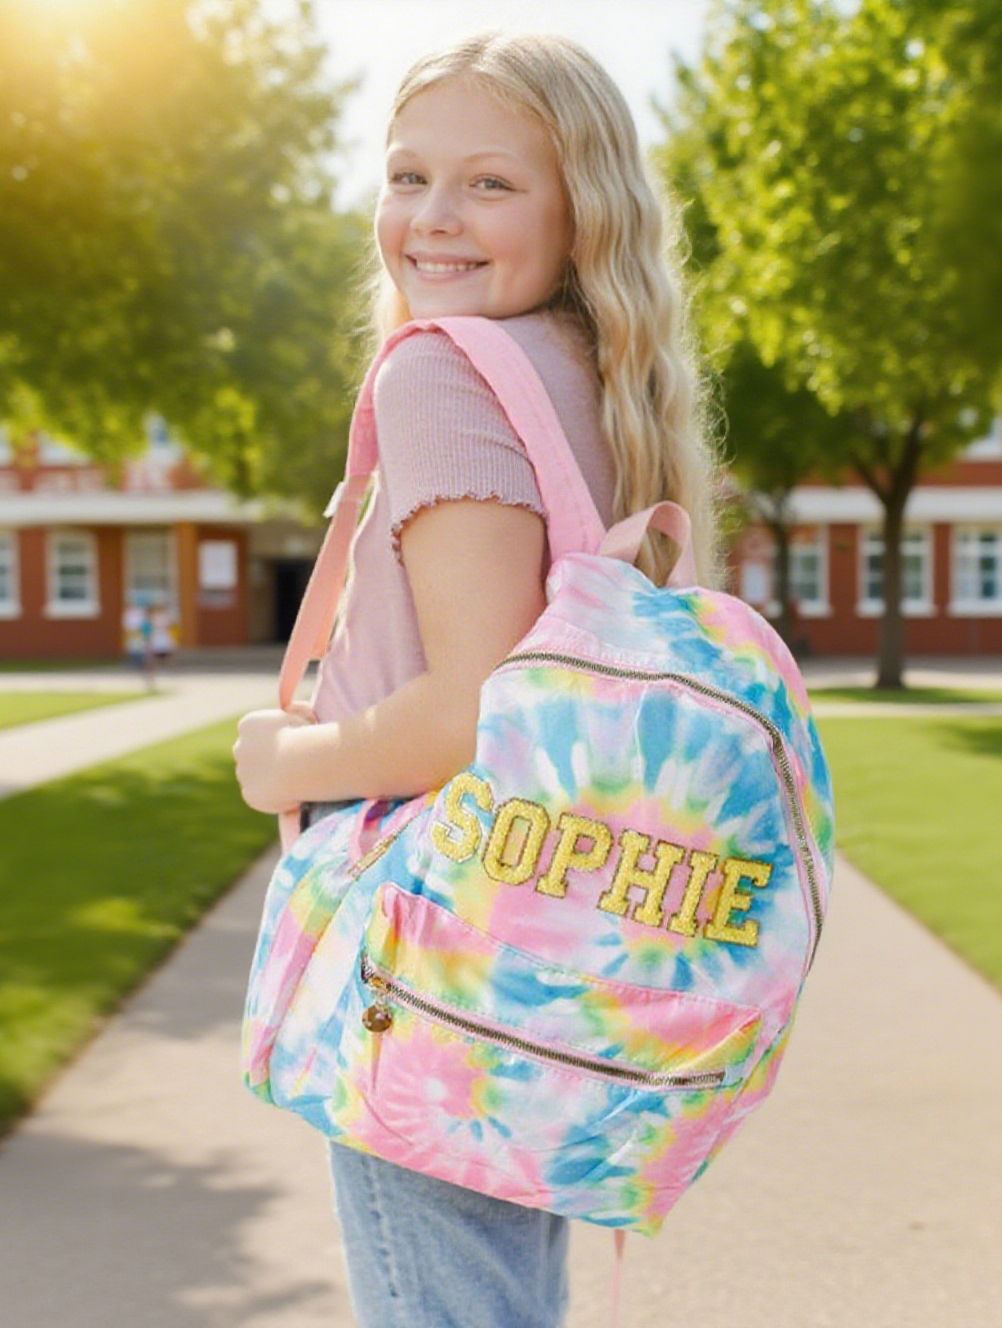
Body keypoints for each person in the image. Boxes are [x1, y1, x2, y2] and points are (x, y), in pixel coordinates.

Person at [233, 31, 722, 1328]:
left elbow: (466, 713)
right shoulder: (600, 377)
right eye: (408, 177)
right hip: (544, 940)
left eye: (490, 185)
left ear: (581, 208)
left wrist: (283, 759)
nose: (431, 220)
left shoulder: (445, 371)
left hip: (433, 952)